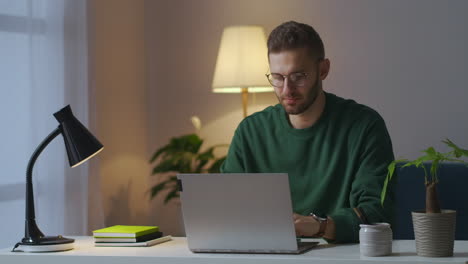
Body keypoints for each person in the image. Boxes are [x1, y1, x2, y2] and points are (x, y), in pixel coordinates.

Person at [220, 21, 395, 243]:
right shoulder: (250, 132)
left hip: (342, 256)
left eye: (298, 76)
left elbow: (377, 212)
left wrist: (320, 226)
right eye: (277, 77)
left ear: (323, 70)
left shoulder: (365, 126)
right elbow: (227, 208)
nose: (287, 89)